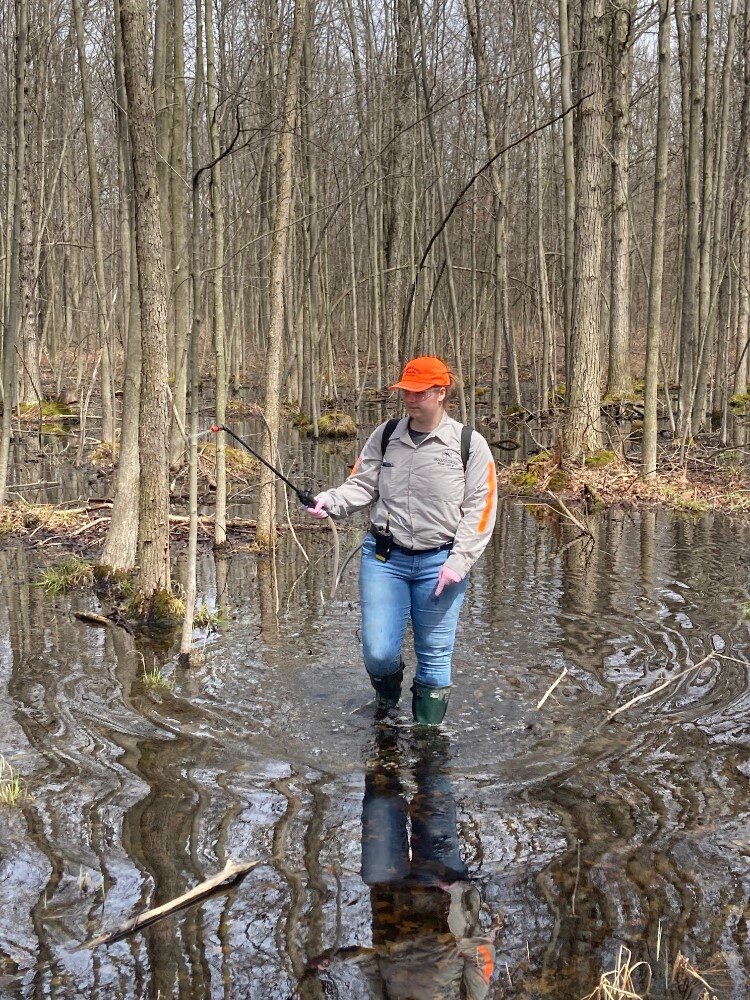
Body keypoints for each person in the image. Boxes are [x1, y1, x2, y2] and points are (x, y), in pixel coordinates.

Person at [306, 355, 497, 724]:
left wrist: (459, 563)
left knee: (435, 655)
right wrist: (330, 501)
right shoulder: (387, 434)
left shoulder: (469, 444)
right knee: (378, 652)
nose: (409, 398)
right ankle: (387, 704)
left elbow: (482, 509)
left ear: (440, 392)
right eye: (405, 391)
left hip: (441, 565)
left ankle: (428, 741)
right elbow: (362, 485)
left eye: (419, 392)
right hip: (384, 559)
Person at [304, 726, 501, 998]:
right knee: (433, 790)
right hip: (439, 888)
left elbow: (370, 962)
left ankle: (384, 729)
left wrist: (334, 959)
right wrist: (456, 901)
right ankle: (429, 730)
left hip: (386, 889)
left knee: (379, 798)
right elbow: (483, 952)